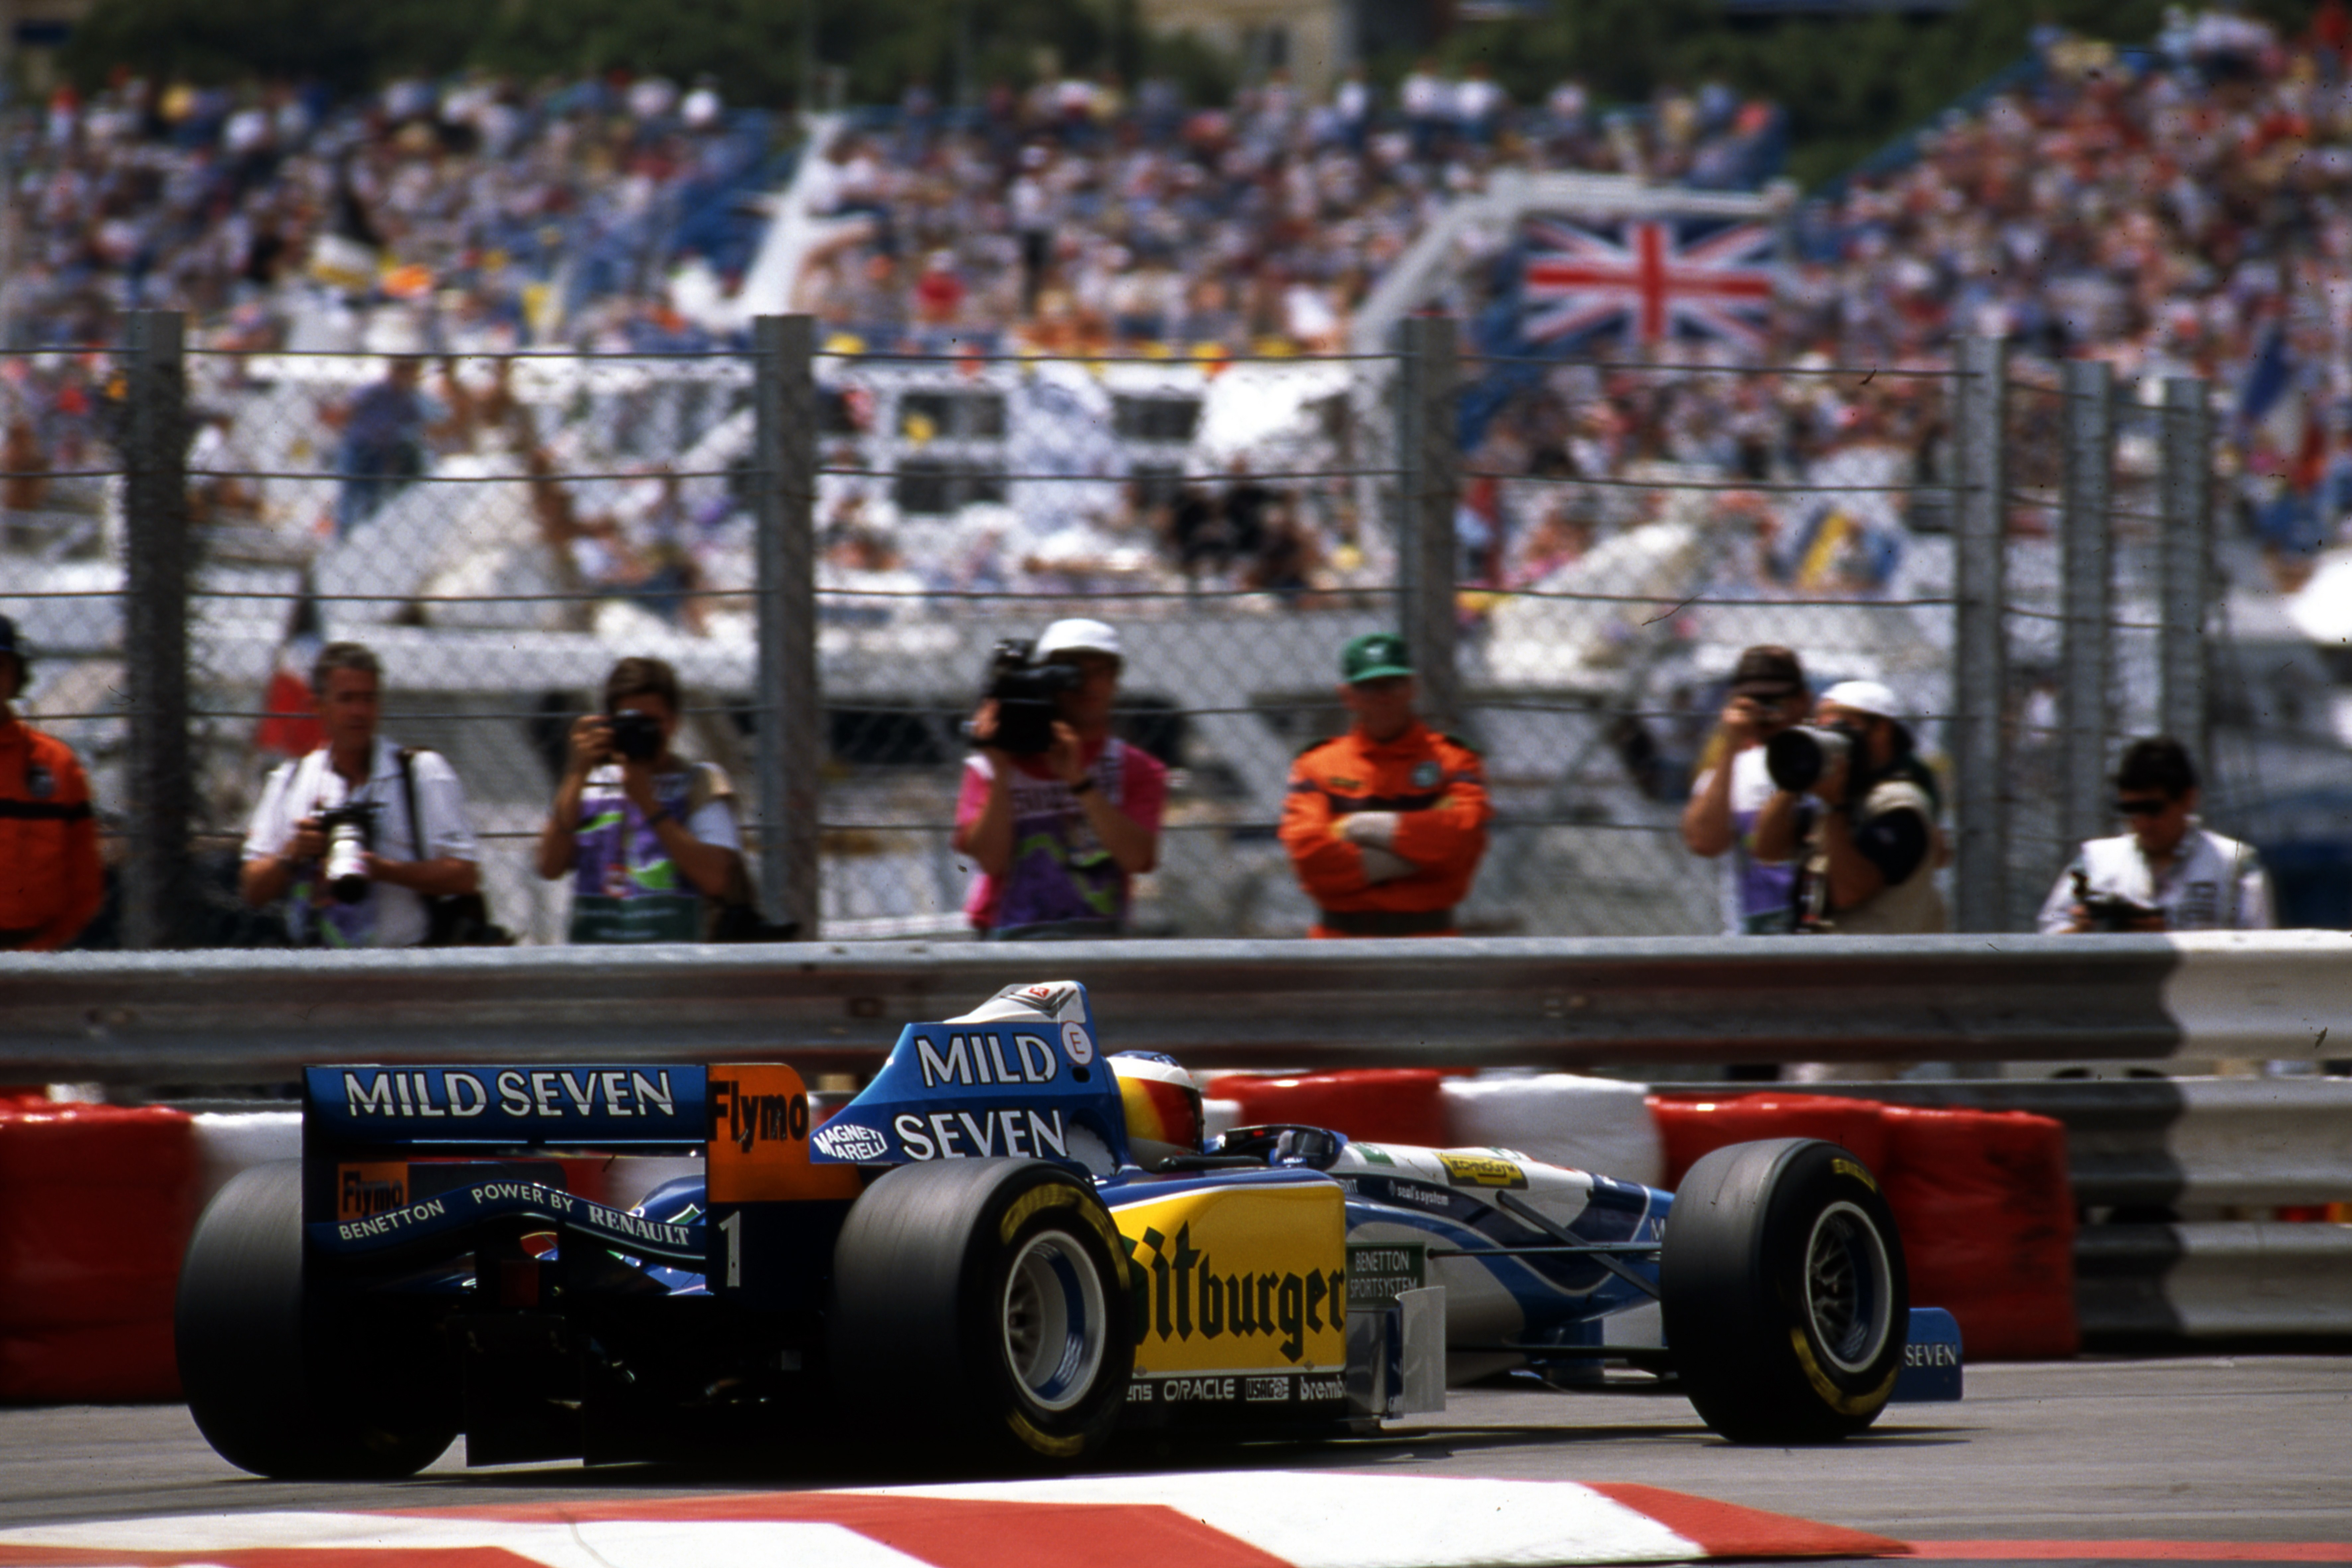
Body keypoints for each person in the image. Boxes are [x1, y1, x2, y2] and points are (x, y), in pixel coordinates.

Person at [240, 641, 482, 948]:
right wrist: (293, 853)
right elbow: (252, 890)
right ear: (319, 706)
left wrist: (385, 870)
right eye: (347, 699)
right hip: (316, 968)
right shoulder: (292, 780)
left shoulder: (420, 773)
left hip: (403, 963)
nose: (359, 712)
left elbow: (465, 876)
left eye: (368, 699)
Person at [953, 618, 1167, 939]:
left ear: (1115, 682)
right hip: (1008, 935)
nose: (1087, 685)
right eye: (1071, 672)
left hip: (1097, 935)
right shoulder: (991, 763)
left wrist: (1078, 780)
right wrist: (1001, 772)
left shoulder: (1135, 768)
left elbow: (1137, 859)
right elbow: (992, 861)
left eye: (1100, 672)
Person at [1281, 632, 1491, 938]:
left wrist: (1367, 826)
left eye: (1392, 683)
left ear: (1412, 688)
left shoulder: (1455, 760)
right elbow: (1310, 858)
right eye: (1368, 687)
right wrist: (1420, 854)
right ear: (1347, 695)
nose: (1382, 696)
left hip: (1429, 942)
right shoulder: (1317, 765)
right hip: (1340, 943)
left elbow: (1461, 841)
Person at [537, 656, 747, 943]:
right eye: (630, 723)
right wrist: (576, 772)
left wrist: (647, 802)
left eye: (652, 723)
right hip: (599, 956)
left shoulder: (699, 782)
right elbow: (549, 866)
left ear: (675, 722)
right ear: (609, 723)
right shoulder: (592, 784)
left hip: (678, 956)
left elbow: (717, 879)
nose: (642, 734)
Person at [1753, 679, 1946, 936]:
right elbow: (1767, 850)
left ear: (1882, 731)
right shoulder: (1842, 794)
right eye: (1821, 730)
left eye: (1840, 728)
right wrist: (1793, 773)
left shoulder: (1901, 804)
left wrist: (1835, 806)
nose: (1829, 739)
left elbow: (1848, 892)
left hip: (1880, 967)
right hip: (1830, 964)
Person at [2037, 737, 2273, 934]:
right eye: (2130, 810)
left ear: (2189, 799)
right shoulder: (2090, 864)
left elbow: (2260, 954)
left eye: (2153, 809)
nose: (2142, 823)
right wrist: (2080, 930)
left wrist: (2170, 940)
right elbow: (2049, 931)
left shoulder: (2237, 866)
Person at [1681, 645, 1813, 935]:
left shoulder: (1830, 756)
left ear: (1802, 701)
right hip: (1756, 934)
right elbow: (1704, 842)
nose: (1765, 711)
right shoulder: (1731, 770)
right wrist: (1732, 742)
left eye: (1775, 700)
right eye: (1753, 701)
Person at [0, 615, 102, 950]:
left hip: (32, 956)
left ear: (17, 677)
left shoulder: (56, 765)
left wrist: (41, 950)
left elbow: (85, 884)